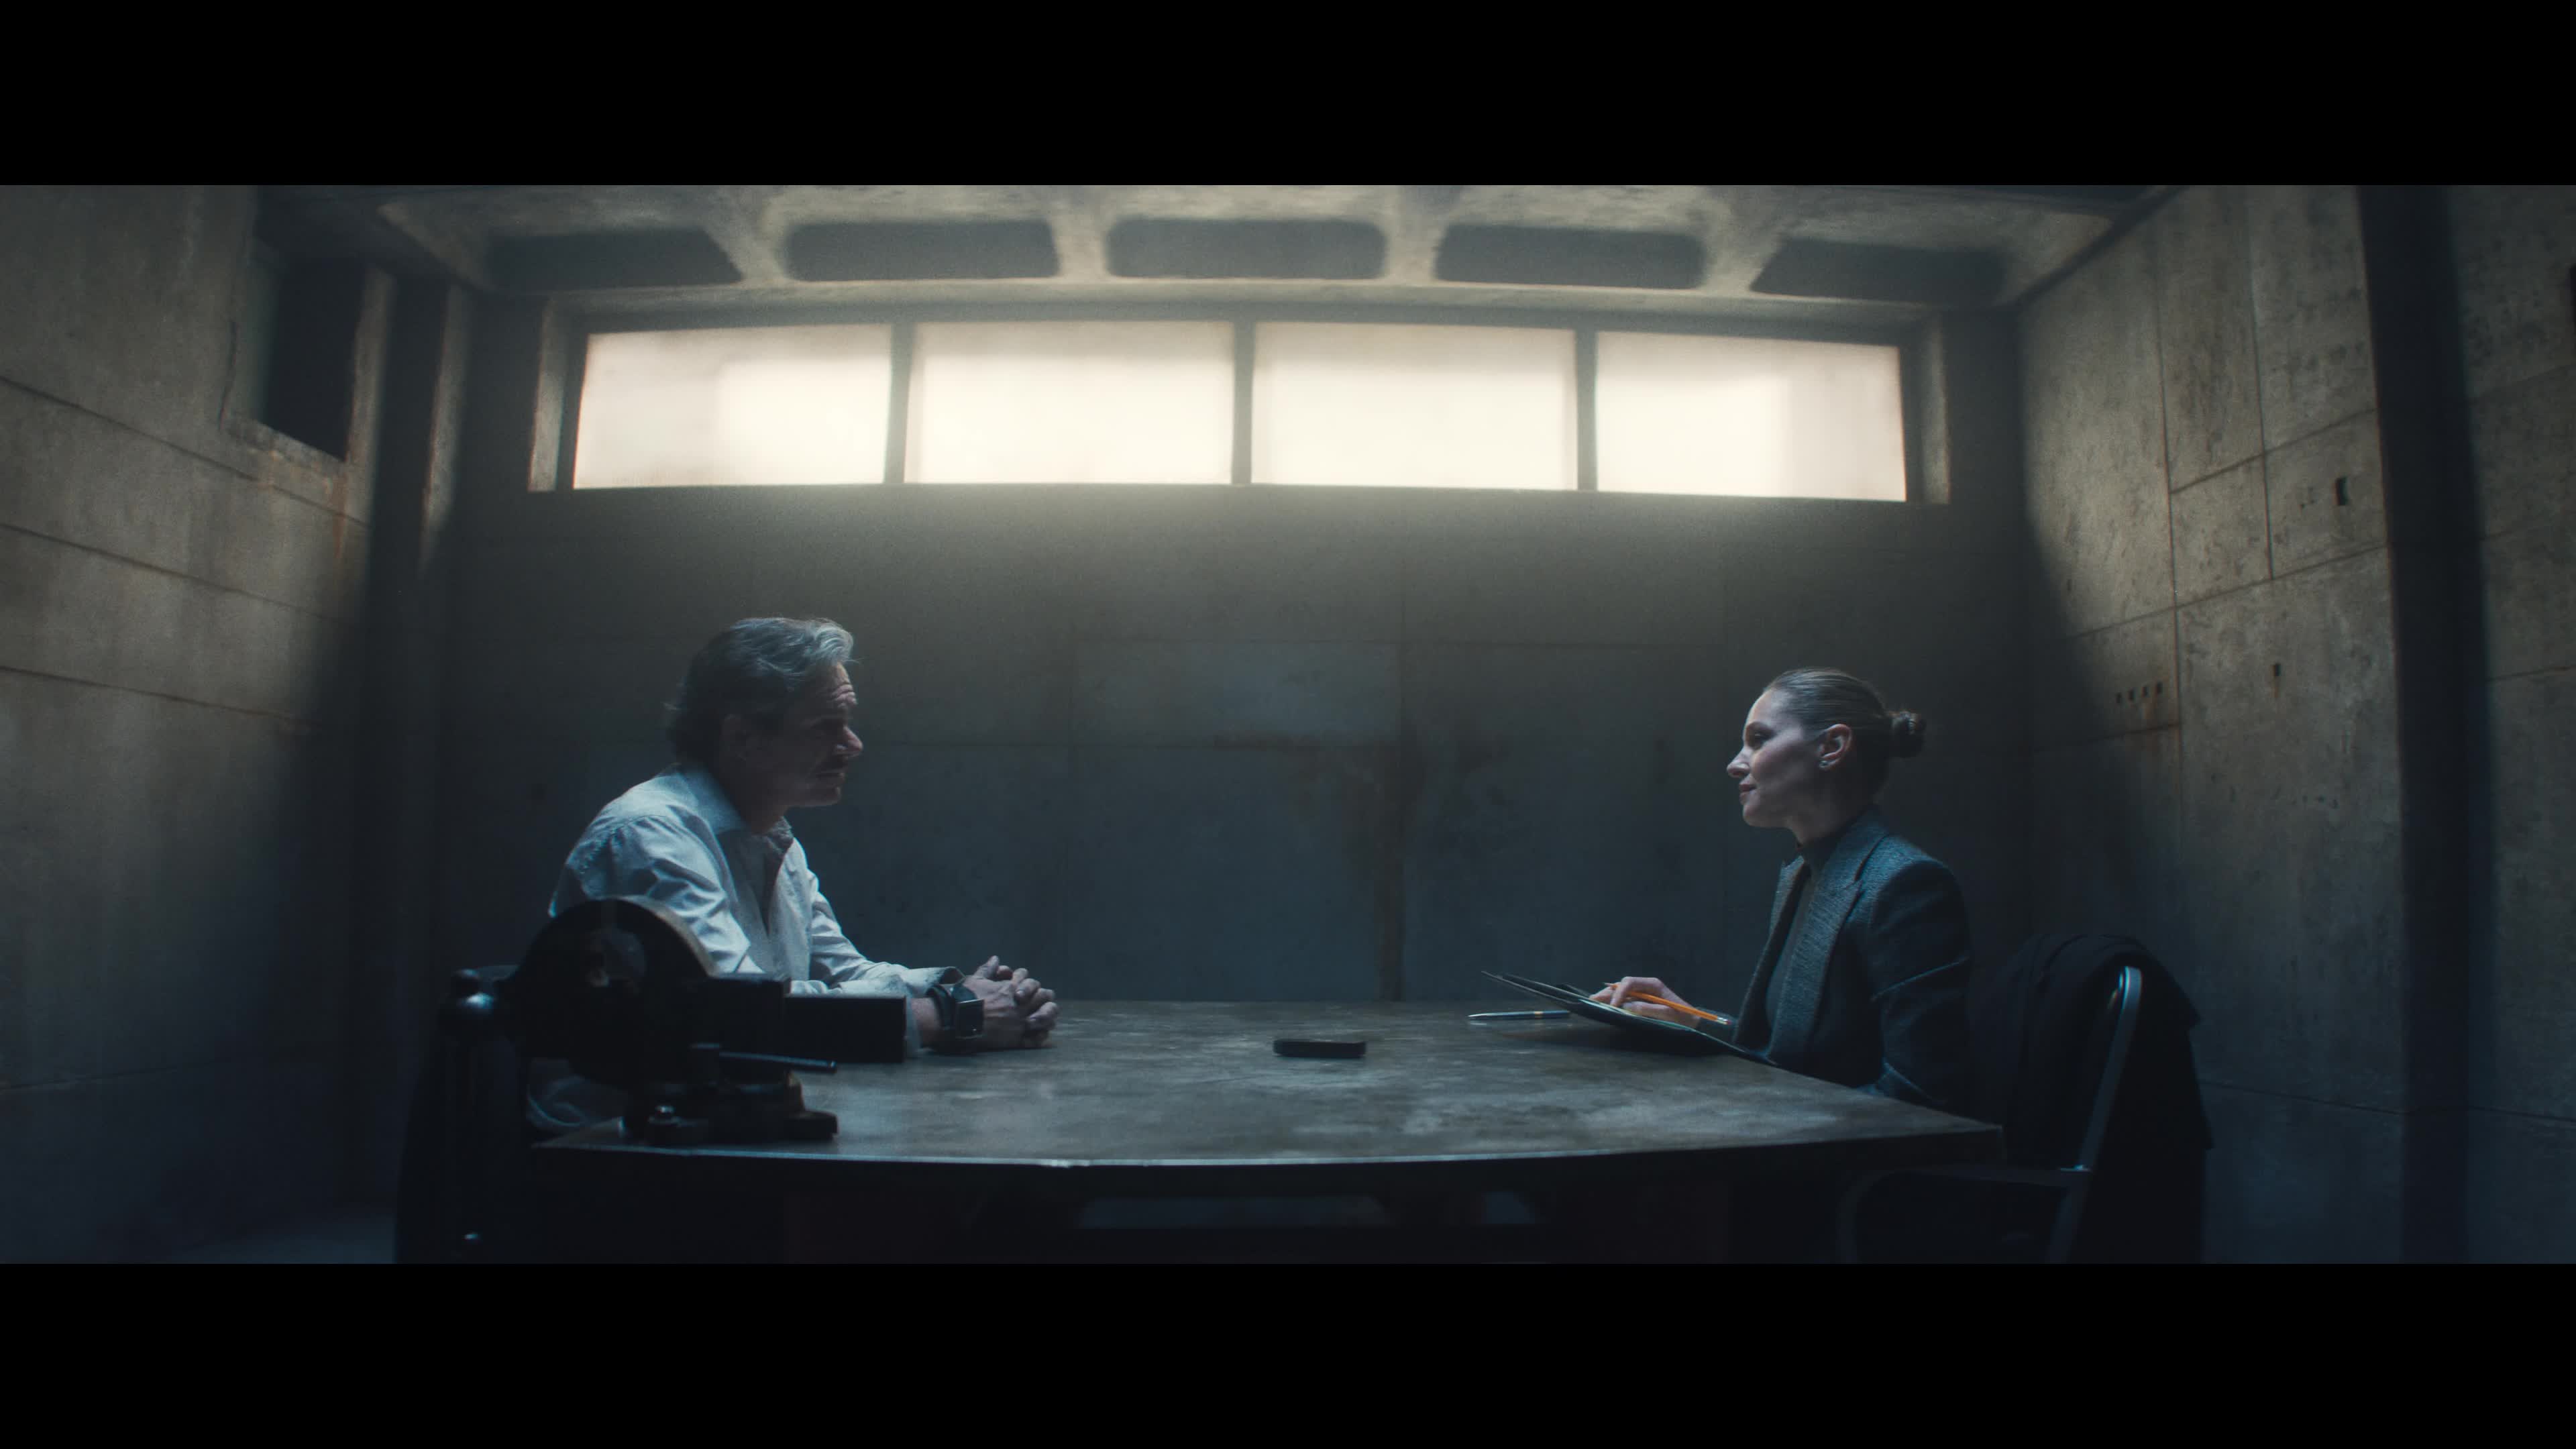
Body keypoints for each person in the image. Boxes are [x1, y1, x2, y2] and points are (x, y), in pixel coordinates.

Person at [530, 616, 1059, 1134]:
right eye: (824, 727)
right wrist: (948, 1016)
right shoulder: (651, 836)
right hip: (609, 1151)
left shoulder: (771, 838)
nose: (853, 745)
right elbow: (740, 1017)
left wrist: (963, 991)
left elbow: (843, 974)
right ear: (742, 737)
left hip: (710, 1131)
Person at [1596, 667, 1969, 1112]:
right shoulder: (1804, 873)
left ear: (1832, 747)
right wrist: (1692, 1022)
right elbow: (1787, 1057)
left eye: (1758, 740)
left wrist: (1742, 1119)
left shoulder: (1905, 885)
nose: (1735, 765)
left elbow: (1918, 1099)